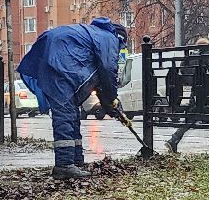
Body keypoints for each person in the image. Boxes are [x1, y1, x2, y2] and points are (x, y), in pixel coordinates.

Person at [17, 16, 127, 179]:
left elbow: (101, 81)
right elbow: (108, 71)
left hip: (53, 64)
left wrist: (111, 106)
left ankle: (75, 161)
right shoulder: (109, 39)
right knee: (65, 116)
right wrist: (112, 100)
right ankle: (64, 165)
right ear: (120, 38)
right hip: (62, 68)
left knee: (71, 114)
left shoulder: (91, 36)